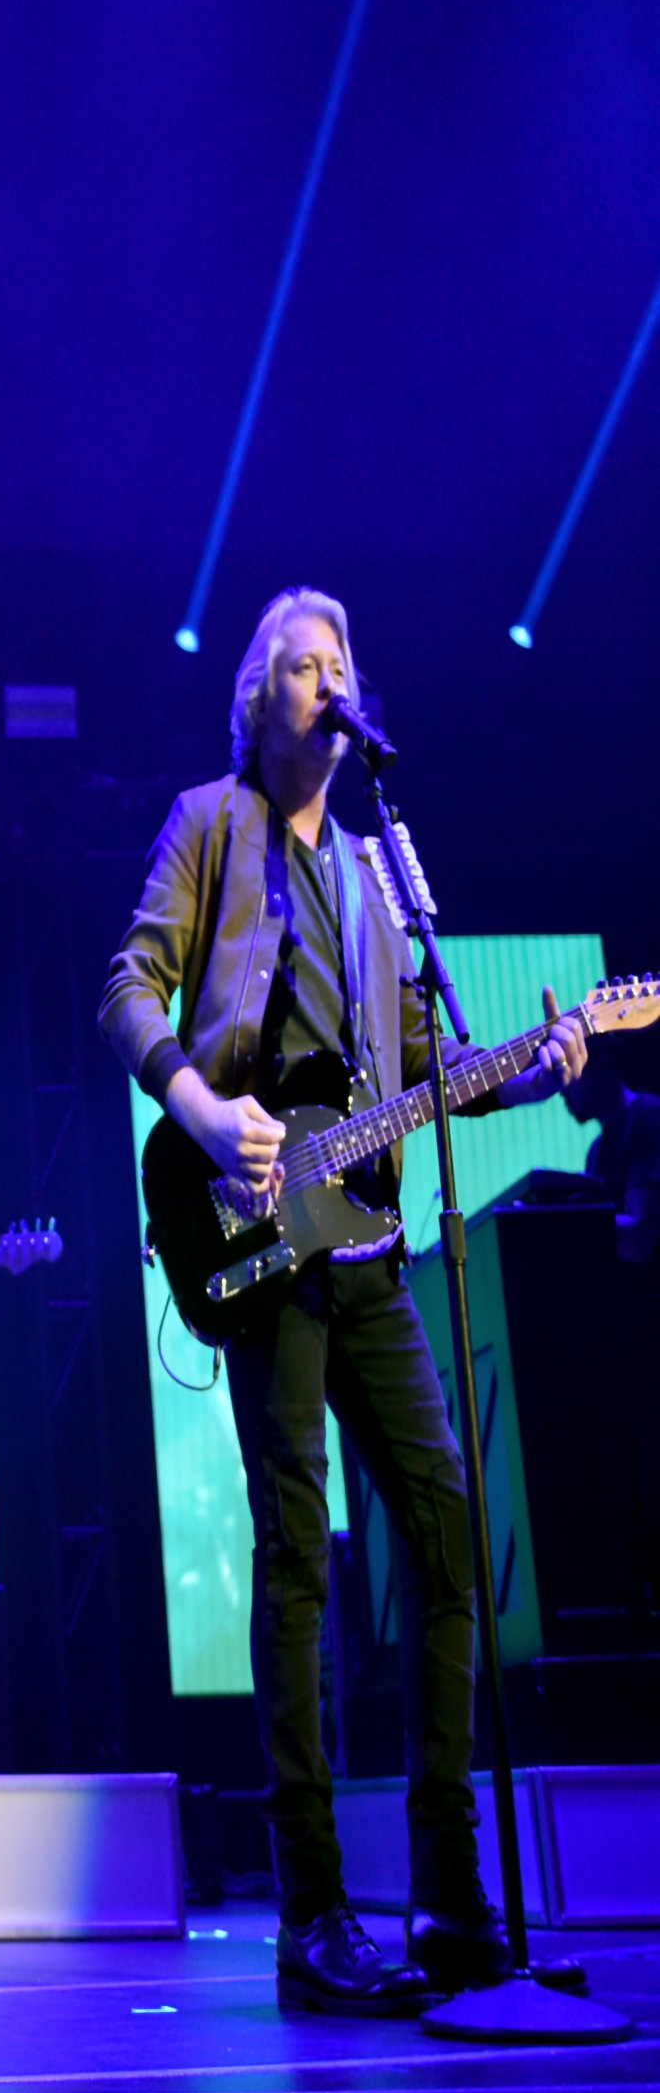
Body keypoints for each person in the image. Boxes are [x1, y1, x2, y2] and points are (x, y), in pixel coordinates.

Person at [100, 589, 586, 2015]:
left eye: (343, 666)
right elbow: (130, 987)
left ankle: (446, 1894)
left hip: (365, 1250)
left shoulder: (382, 874)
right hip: (253, 1231)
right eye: (304, 665)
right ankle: (311, 1910)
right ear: (260, 698)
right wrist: (198, 1110)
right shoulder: (211, 823)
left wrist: (537, 1063)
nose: (329, 683)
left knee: (446, 1531)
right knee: (298, 1550)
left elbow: (421, 1074)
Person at [563, 1046, 660, 1268]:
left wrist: (560, 1225)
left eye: (571, 1072)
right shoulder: (596, 1151)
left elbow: (638, 1239)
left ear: (602, 1065)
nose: (563, 1089)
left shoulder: (651, 1119)